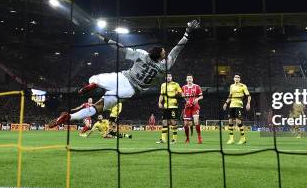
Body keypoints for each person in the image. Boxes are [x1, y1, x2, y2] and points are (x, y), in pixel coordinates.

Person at [50, 20, 200, 128]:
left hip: (122, 77)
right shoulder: (164, 67)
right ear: (161, 56)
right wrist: (187, 33)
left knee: (94, 78)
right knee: (98, 108)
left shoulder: (142, 54)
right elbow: (177, 49)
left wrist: (105, 38)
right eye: (163, 52)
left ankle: (93, 85)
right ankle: (69, 117)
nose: (165, 52)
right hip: (129, 90)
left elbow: (121, 49)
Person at [222, 74, 251, 145]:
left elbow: (249, 96)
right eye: (235, 77)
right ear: (233, 78)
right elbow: (230, 96)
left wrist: (248, 103)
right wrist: (226, 103)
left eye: (238, 77)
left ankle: (243, 138)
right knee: (230, 121)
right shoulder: (231, 86)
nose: (237, 78)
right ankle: (231, 139)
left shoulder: (243, 86)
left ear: (240, 79)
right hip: (232, 105)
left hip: (239, 105)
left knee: (238, 121)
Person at [157, 74, 183, 144]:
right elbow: (161, 95)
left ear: (172, 77)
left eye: (170, 76)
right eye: (167, 76)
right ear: (165, 78)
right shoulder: (163, 85)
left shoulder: (176, 84)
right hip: (166, 106)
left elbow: (181, 92)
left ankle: (174, 139)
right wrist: (159, 102)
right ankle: (163, 139)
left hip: (173, 106)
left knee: (173, 122)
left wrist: (178, 93)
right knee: (164, 122)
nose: (168, 77)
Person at [182, 74, 203, 144]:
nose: (189, 79)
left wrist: (197, 99)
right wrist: (186, 101)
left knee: (196, 121)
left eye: (190, 78)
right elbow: (183, 96)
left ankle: (199, 137)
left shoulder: (197, 87)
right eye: (188, 78)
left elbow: (201, 96)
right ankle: (187, 138)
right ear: (186, 79)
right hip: (187, 107)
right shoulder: (184, 87)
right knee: (185, 124)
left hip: (195, 106)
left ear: (192, 79)